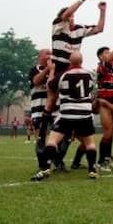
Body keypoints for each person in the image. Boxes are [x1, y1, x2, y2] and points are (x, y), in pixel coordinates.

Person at [37, 0, 107, 144]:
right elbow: (66, 14)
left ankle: (68, 135)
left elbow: (99, 28)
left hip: (73, 70)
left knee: (76, 101)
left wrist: (102, 11)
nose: (72, 18)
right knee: (52, 99)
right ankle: (42, 133)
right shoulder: (58, 26)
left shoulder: (79, 30)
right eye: (70, 16)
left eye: (74, 16)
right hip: (59, 68)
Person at [32, 52, 99, 180]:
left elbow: (50, 87)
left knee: (52, 141)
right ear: (82, 61)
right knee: (90, 143)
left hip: (67, 113)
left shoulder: (63, 74)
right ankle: (92, 170)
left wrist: (51, 71)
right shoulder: (89, 75)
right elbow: (90, 93)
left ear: (70, 61)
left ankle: (46, 167)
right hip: (85, 114)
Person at [72, 33, 113, 171]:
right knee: (108, 131)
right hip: (104, 102)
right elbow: (112, 57)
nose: (110, 54)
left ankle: (107, 158)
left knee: (111, 132)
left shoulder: (111, 67)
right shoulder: (102, 66)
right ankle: (102, 161)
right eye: (106, 52)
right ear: (101, 56)